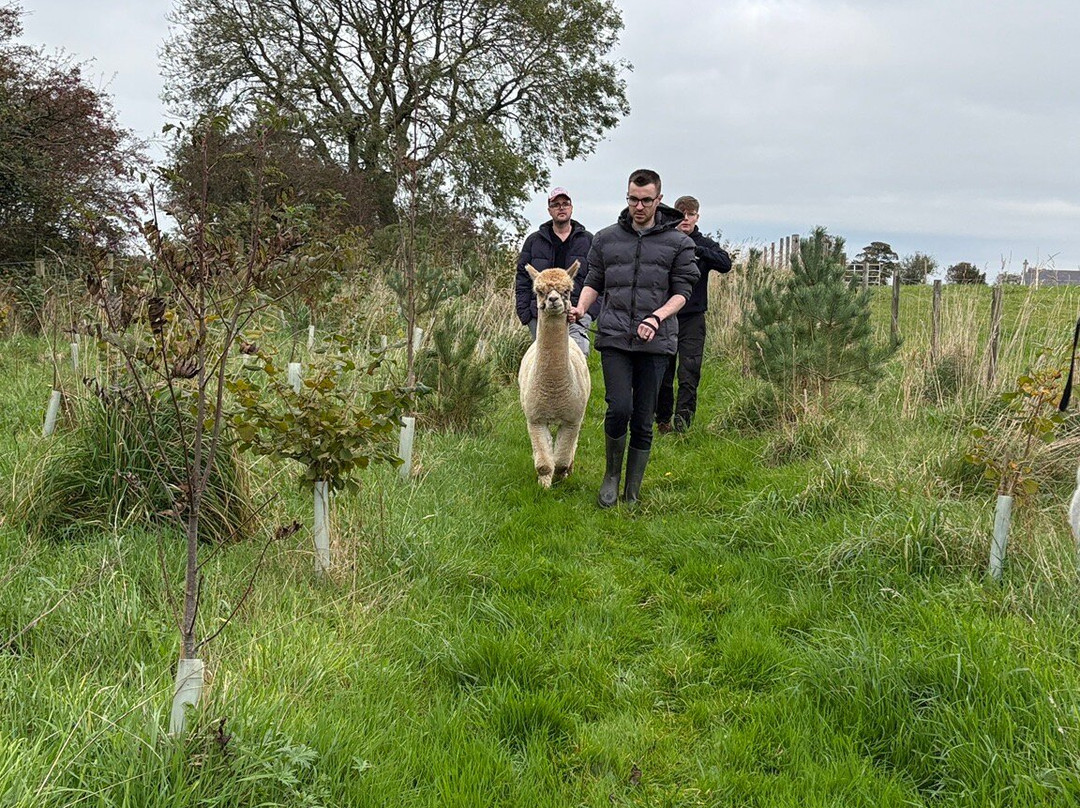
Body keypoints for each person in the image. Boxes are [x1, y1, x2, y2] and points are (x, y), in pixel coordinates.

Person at [570, 169, 698, 507]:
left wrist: (657, 317)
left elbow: (682, 292)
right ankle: (611, 476)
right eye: (632, 199)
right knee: (619, 408)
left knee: (644, 416)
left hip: (657, 343)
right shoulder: (606, 238)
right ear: (626, 197)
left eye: (645, 201)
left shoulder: (679, 243)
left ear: (658, 200)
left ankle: (633, 488)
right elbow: (594, 280)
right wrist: (581, 308)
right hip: (614, 336)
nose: (638, 207)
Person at [655, 195, 732, 433]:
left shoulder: (703, 244)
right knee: (664, 372)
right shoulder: (666, 240)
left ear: (697, 217)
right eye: (682, 214)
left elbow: (725, 264)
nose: (686, 219)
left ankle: (683, 423)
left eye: (691, 214)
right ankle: (663, 419)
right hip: (667, 316)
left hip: (693, 318)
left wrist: (698, 250)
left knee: (689, 371)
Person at [515, 187, 597, 356]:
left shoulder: (588, 240)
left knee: (577, 359)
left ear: (571, 208)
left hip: (575, 315)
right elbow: (523, 279)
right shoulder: (534, 241)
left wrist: (589, 312)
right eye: (556, 204)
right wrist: (526, 314)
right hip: (541, 314)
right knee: (546, 364)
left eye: (565, 204)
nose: (561, 208)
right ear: (549, 210)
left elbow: (599, 278)